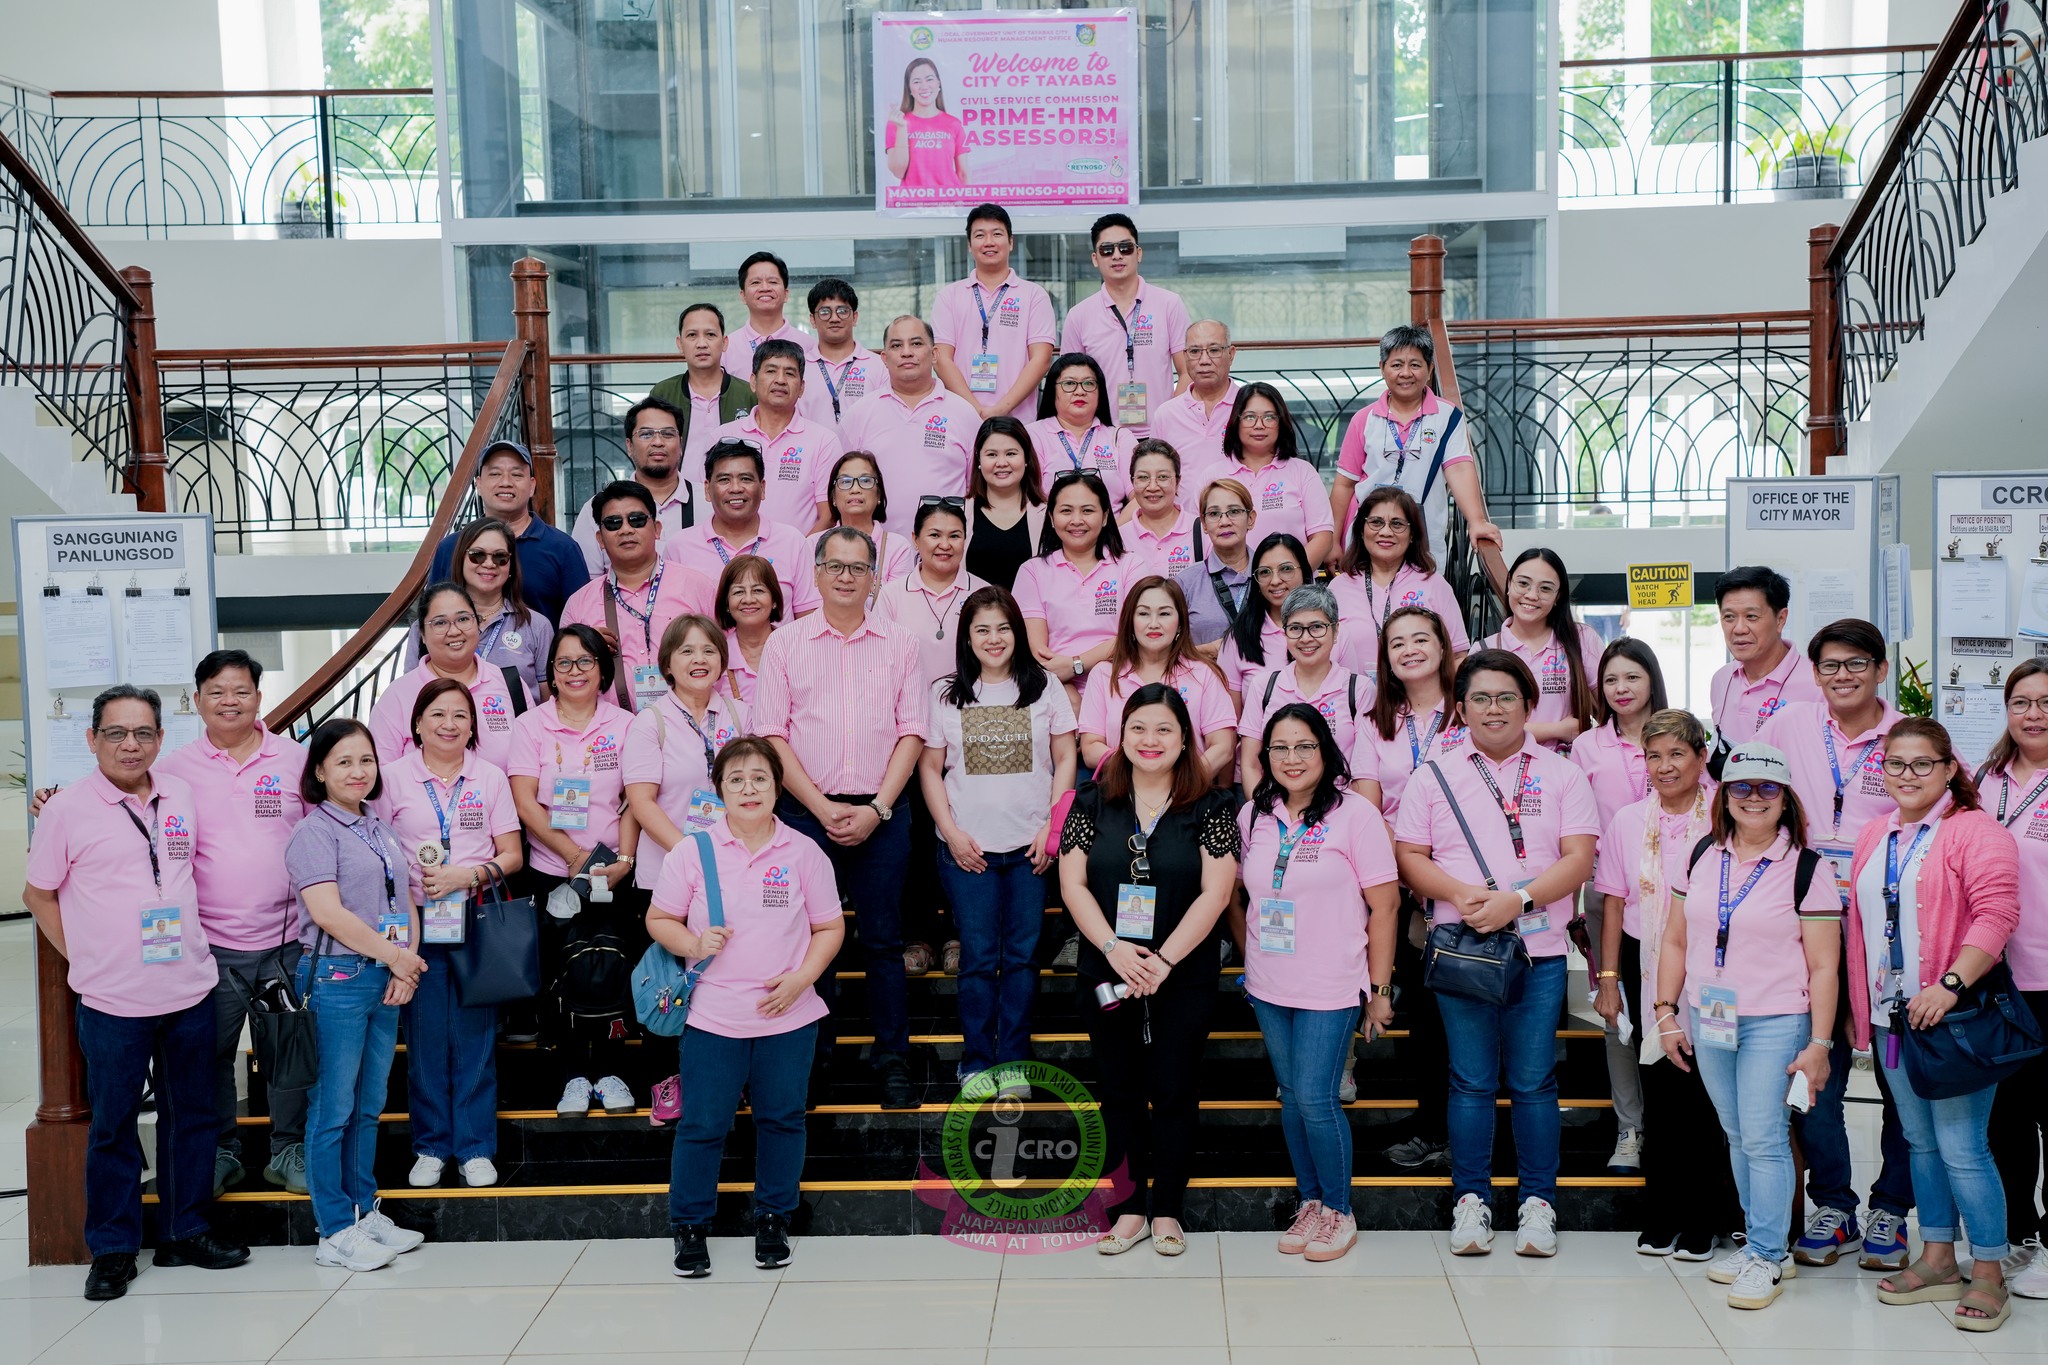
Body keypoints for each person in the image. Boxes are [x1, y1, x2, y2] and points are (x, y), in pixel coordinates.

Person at [24, 685, 251, 1300]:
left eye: (144, 733)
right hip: (113, 1000)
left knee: (192, 1117)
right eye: (118, 733)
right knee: (114, 1125)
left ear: (159, 739)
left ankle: (185, 1231)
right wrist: (85, 957)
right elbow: (38, 894)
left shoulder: (180, 795)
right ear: (92, 738)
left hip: (189, 987)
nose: (132, 744)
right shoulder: (68, 809)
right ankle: (115, 1247)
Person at [1395, 650, 1599, 1259]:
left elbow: (1579, 858)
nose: (1493, 708)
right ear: (1460, 710)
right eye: (1479, 698)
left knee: (1534, 1082)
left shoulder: (1562, 773)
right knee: (1471, 1080)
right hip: (1464, 951)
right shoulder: (1434, 773)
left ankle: (1539, 1204)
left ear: (1529, 705)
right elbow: (1410, 855)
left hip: (1536, 952)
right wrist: (1461, 894)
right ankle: (1471, 1201)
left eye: (1506, 696)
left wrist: (1518, 898)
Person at [1654, 742, 1842, 1310]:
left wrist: (1820, 1043)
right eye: (1742, 787)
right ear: (1724, 795)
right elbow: (1676, 939)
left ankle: (1768, 1252)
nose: (1754, 798)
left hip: (1777, 1017)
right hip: (1713, 1011)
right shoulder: (1702, 855)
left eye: (1767, 788)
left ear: (1784, 798)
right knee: (1737, 1134)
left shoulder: (1808, 867)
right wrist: (1665, 1011)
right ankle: (1758, 1240)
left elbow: (1824, 965)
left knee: (1763, 1136)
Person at [1846, 719, 2020, 1330]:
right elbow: (1860, 930)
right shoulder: (1875, 834)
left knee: (1963, 1148)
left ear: (1951, 769)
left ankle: (1991, 1270)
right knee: (1920, 1143)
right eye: (1895, 764)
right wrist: (1858, 1010)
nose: (1908, 775)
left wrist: (1948, 987)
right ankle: (1939, 1258)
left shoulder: (1975, 830)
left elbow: (1997, 915)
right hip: (1892, 1020)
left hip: (1952, 1020)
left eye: (1923, 764)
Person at [1755, 616, 1916, 1269]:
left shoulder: (1909, 737)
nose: (1842, 676)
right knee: (1811, 1058)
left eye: (1856, 664)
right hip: (1806, 921)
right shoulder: (1789, 724)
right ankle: (1834, 1203)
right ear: (1814, 673)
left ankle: (1891, 1208)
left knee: (1898, 1067)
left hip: (1892, 926)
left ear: (1880, 668)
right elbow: (1748, 789)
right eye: (1830, 666)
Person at [652, 738, 846, 1278]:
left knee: (782, 1119)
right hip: (713, 1016)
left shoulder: (804, 851)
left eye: (759, 778)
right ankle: (689, 1226)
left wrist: (803, 978)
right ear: (719, 790)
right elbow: (659, 919)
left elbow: (830, 926)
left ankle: (773, 1217)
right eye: (735, 779)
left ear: (778, 786)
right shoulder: (694, 851)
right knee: (703, 1124)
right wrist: (692, 945)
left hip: (789, 1015)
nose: (749, 789)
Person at [1060, 683, 1240, 1256]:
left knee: (1174, 1089)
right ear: (1121, 736)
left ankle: (1167, 1211)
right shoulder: (1091, 801)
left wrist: (1163, 959)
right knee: (1118, 1091)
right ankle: (1127, 1211)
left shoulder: (1210, 807)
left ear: (1185, 737)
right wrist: (1113, 947)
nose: (1150, 740)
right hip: (1107, 966)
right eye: (1139, 728)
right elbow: (1072, 883)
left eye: (1164, 728)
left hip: (1181, 972)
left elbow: (1217, 891)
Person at [753, 527, 926, 1108]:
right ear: (818, 574)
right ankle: (812, 1059)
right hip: (806, 813)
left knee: (882, 942)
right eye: (835, 566)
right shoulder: (786, 644)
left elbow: (912, 732)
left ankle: (893, 1060)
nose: (847, 576)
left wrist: (877, 807)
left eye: (858, 567)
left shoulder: (901, 644)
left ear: (874, 577)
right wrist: (823, 806)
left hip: (883, 812)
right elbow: (772, 734)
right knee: (807, 943)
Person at [1241, 703, 1401, 1263]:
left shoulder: (1356, 815)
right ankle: (1310, 1201)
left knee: (1315, 1097)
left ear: (1326, 751)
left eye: (1304, 746)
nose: (1291, 758)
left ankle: (1339, 1210)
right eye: (1279, 748)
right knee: (1290, 1098)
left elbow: (1385, 907)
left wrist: (1379, 992)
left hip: (1332, 984)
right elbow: (1248, 895)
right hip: (1268, 982)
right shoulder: (1253, 816)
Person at [155, 651, 311, 1198]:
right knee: (210, 1054)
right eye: (216, 692)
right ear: (197, 701)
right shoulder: (172, 771)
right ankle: (222, 1152)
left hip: (283, 945)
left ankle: (289, 1150)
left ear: (259, 698)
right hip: (209, 948)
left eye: (240, 691)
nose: (229, 701)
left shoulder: (294, 760)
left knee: (287, 1049)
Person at [1591, 708, 1739, 1260]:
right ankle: (1664, 1213)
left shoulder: (1726, 813)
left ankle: (1707, 1219)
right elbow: (1612, 902)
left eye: (1678, 753)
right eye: (1654, 756)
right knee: (1661, 1094)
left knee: (1708, 1096)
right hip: (1646, 962)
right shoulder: (1629, 821)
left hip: (1716, 970)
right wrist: (1608, 980)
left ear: (1702, 758)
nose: (1665, 765)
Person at [285, 717, 428, 1272]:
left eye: (365, 760)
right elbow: (327, 913)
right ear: (319, 771)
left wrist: (404, 966)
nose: (357, 771)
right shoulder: (313, 832)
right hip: (338, 980)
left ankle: (364, 1212)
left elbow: (405, 900)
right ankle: (334, 1229)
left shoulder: (377, 825)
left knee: (368, 1107)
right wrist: (395, 957)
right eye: (343, 761)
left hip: (384, 976)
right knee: (332, 1109)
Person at [920, 587, 1078, 1090]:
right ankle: (976, 1059)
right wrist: (950, 833)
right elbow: (929, 767)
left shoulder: (1045, 687)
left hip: (1029, 850)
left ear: (1018, 633)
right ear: (967, 637)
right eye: (982, 629)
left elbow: (1067, 758)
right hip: (969, 852)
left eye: (1003, 628)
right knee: (979, 958)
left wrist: (1050, 829)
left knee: (1022, 958)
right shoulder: (945, 693)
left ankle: (1011, 1059)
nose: (994, 638)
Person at [375, 679, 523, 1189]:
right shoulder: (391, 778)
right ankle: (432, 1145)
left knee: (477, 1039)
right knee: (426, 1039)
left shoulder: (490, 778)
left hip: (474, 920)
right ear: (417, 723)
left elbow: (512, 854)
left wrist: (469, 875)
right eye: (437, 714)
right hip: (415, 924)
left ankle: (477, 1147)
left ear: (473, 726)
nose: (448, 724)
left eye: (460, 715)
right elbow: (374, 849)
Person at [507, 626, 643, 1118]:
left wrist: (623, 862)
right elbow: (525, 800)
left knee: (610, 967)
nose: (575, 671)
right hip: (551, 871)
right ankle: (569, 1076)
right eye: (564, 663)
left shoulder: (626, 724)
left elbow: (634, 799)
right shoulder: (531, 726)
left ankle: (611, 1072)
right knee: (559, 971)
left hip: (612, 873)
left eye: (585, 661)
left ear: (603, 670)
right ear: (551, 674)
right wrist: (570, 855)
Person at [624, 614, 747, 1127]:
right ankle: (666, 1084)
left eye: (709, 651)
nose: (699, 660)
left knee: (726, 977)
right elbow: (640, 801)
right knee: (669, 980)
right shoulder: (649, 721)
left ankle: (726, 1081)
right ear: (667, 664)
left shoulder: (738, 715)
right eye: (687, 652)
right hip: (666, 875)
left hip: (735, 874)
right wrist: (690, 857)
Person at [1349, 605, 1459, 1169]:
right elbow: (1368, 809)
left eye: (1422, 638)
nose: (1411, 649)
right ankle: (1433, 1120)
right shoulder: (1374, 724)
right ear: (1385, 658)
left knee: (1455, 1012)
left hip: (1463, 878)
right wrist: (1410, 862)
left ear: (1443, 646)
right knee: (1421, 1008)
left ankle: (1455, 1124)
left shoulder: (1468, 714)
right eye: (1398, 643)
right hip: (1400, 878)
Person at [1573, 636, 1668, 1174]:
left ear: (1651, 678)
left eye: (1631, 676)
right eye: (1610, 680)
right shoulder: (1588, 747)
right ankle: (1630, 1126)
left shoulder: (1680, 733)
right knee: (1617, 1016)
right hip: (1608, 895)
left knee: (1672, 1010)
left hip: (1676, 900)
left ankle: (1674, 1119)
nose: (1621, 689)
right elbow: (1577, 829)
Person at [1978, 660, 2048, 1296]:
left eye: (2045, 701)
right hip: (1997, 975)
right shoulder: (1985, 779)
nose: (2033, 713)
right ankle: (2021, 1232)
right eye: (2021, 701)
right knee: (2007, 1114)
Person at [1330, 323, 1501, 573]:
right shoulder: (1364, 419)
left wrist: (1476, 521)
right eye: (1397, 364)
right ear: (1382, 368)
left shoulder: (1447, 417)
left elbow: (1460, 469)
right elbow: (1345, 484)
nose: (1406, 373)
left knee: (1419, 606)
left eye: (1415, 364)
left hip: (1423, 535)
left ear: (1430, 368)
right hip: (1370, 534)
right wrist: (1333, 541)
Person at [558, 480, 718, 715]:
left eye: (637, 520)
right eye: (613, 523)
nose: (626, 529)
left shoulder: (697, 587)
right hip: (611, 735)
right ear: (600, 539)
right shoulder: (579, 604)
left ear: (657, 529)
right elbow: (564, 675)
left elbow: (724, 659)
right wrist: (587, 651)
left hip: (690, 726)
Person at [1076, 576, 1237, 781]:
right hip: (1122, 796)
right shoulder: (1104, 674)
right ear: (1130, 621)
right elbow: (1090, 748)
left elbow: (1223, 747)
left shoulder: (1203, 674)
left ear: (1180, 623)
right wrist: (1141, 774)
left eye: (1164, 614)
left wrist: (1184, 785)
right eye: (1143, 613)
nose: (1154, 623)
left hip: (1188, 799)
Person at [840, 315, 982, 534]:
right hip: (874, 550)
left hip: (945, 549)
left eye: (916, 343)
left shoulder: (964, 414)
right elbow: (841, 488)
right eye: (897, 345)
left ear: (934, 354)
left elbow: (978, 489)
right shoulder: (859, 414)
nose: (907, 352)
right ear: (884, 358)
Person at [1014, 470, 1141, 710]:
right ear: (1051, 518)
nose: (1076, 520)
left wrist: (1077, 664)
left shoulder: (1130, 566)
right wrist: (1067, 690)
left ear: (1105, 517)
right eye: (1066, 511)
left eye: (1087, 510)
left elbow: (1136, 635)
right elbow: (1038, 652)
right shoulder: (1033, 571)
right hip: (1056, 691)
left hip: (1123, 688)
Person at [426, 439, 588, 625]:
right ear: (478, 484)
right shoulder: (451, 547)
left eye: (516, 475)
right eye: (495, 474)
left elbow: (580, 623)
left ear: (532, 486)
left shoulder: (563, 548)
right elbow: (433, 616)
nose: (505, 482)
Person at [371, 581, 525, 770]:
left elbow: (531, 762)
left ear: (478, 624)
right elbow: (380, 777)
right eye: (440, 623)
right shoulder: (397, 696)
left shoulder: (509, 685)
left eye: (463, 619)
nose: (454, 631)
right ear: (423, 635)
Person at [1060, 214, 1189, 434]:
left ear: (1138, 253)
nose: (1117, 255)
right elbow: (1069, 383)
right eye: (1107, 250)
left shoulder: (1169, 304)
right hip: (1102, 435)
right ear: (1095, 258)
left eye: (1125, 248)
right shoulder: (1079, 315)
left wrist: (1170, 418)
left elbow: (1187, 371)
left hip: (1160, 434)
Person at [1238, 583, 1371, 794]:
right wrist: (1264, 814)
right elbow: (1251, 764)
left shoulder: (1359, 690)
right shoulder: (1264, 687)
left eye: (1317, 627)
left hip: (1341, 810)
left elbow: (1365, 772)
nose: (1306, 638)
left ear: (1335, 631)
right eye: (1295, 628)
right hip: (1276, 811)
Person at [663, 439, 821, 616]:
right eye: (724, 480)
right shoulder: (679, 547)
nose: (736, 488)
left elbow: (807, 620)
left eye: (746, 479)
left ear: (762, 488)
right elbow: (672, 622)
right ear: (707, 490)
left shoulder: (792, 542)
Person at [1328, 485, 1470, 678]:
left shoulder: (1434, 585)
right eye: (1376, 522)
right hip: (1352, 703)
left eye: (1397, 524)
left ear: (1412, 535)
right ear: (1361, 530)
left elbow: (1458, 656)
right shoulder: (1338, 588)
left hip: (1417, 704)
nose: (1386, 532)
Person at [933, 203, 1055, 421]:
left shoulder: (1034, 295)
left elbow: (1041, 359)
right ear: (969, 245)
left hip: (1018, 421)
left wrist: (1000, 409)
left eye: (997, 234)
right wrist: (974, 409)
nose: (989, 242)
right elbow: (942, 359)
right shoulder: (949, 296)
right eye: (980, 235)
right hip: (961, 418)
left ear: (1010, 242)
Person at [407, 518, 551, 700]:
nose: (489, 564)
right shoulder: (427, 626)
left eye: (500, 557)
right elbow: (410, 695)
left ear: (511, 565)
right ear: (461, 559)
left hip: (517, 727)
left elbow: (547, 704)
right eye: (477, 555)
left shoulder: (536, 626)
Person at [1477, 548, 1600, 749]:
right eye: (1523, 583)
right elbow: (1479, 728)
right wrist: (1558, 730)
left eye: (1545, 588)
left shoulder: (1581, 639)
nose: (1532, 595)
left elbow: (1610, 707)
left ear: (1557, 596)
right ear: (1509, 584)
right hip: (1503, 770)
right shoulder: (1483, 650)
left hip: (1565, 770)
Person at [715, 337, 840, 529]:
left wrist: (798, 555)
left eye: (790, 373)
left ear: (802, 388)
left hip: (799, 556)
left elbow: (828, 516)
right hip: (734, 557)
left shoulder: (824, 441)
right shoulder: (722, 438)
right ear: (753, 382)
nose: (780, 380)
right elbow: (709, 505)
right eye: (771, 371)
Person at [569, 397, 699, 575]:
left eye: (667, 434)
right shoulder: (598, 510)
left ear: (681, 443)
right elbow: (589, 584)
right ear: (629, 445)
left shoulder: (709, 503)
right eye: (646, 434)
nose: (658, 442)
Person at [1213, 382, 1333, 569]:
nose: (1259, 425)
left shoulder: (1302, 471)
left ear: (1281, 422)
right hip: (1229, 590)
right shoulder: (1213, 475)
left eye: (1269, 417)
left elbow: (1322, 537)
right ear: (1236, 421)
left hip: (1293, 591)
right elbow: (1203, 539)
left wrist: (1291, 577)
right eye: (1250, 417)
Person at [872, 496, 986, 693]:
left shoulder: (984, 593)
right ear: (915, 539)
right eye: (934, 535)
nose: (945, 544)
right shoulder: (891, 596)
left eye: (954, 536)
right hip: (908, 711)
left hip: (968, 708)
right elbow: (877, 661)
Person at [1710, 565, 1825, 748]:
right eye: (1729, 617)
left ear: (1780, 619)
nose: (1739, 629)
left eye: (1751, 616)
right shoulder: (1721, 679)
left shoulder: (1818, 683)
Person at [648, 302, 756, 476]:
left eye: (710, 334)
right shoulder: (663, 393)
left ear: (724, 342)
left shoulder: (749, 394)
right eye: (692, 335)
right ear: (680, 344)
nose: (701, 344)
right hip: (677, 495)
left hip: (733, 496)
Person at [1029, 352, 1136, 508]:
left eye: (1088, 383)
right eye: (1069, 383)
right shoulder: (1032, 435)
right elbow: (1027, 497)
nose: (1080, 391)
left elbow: (1139, 497)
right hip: (1048, 528)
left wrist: (1113, 530)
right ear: (1053, 391)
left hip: (1113, 529)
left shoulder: (1120, 438)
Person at [806, 451, 916, 591]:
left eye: (865, 481)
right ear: (833, 497)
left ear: (879, 495)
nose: (855, 489)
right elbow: (807, 603)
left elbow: (895, 605)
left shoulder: (898, 548)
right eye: (845, 482)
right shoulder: (812, 544)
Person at [1217, 533, 1310, 700]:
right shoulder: (1238, 637)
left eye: (1286, 569)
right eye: (1265, 572)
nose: (1275, 581)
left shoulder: (1331, 632)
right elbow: (1231, 719)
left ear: (1305, 572)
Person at [1172, 477, 1257, 654]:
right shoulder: (1186, 582)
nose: (1224, 522)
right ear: (1203, 523)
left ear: (1251, 519)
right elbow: (1169, 649)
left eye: (1234, 511)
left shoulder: (1270, 575)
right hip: (1202, 677)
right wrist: (1209, 651)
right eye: (1214, 514)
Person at [962, 415, 1046, 592]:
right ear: (978, 460)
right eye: (992, 454)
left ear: (1026, 458)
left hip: (1028, 618)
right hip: (972, 616)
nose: (1001, 463)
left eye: (1011, 454)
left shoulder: (1048, 515)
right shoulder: (961, 513)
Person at [1149, 321, 1239, 486]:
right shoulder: (1166, 414)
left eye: (1214, 350)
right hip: (1184, 512)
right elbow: (1155, 475)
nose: (1204, 360)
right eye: (1195, 351)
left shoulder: (1248, 408)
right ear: (1185, 356)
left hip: (1238, 511)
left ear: (1231, 354)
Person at [798, 278, 883, 430]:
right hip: (814, 453)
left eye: (842, 311)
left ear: (855, 317)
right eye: (825, 312)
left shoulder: (879, 366)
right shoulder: (798, 368)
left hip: (865, 453)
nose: (834, 318)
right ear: (812, 320)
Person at [722, 251, 818, 380]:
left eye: (772, 282)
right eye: (755, 282)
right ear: (743, 296)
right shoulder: (726, 348)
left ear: (786, 294)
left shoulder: (809, 346)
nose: (765, 288)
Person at [884, 56, 969, 190]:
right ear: (910, 89)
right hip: (912, 207)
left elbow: (963, 174)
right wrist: (902, 128)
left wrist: (967, 207)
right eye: (917, 82)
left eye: (929, 79)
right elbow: (898, 171)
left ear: (938, 83)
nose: (924, 86)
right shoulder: (897, 123)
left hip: (950, 205)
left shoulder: (954, 124)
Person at [1119, 439, 1198, 575]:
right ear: (1132, 482)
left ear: (1177, 482)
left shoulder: (1201, 530)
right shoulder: (1119, 539)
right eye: (1143, 477)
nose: (1153, 487)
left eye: (1162, 477)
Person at [717, 553, 784, 706]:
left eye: (758, 590)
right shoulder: (716, 656)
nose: (748, 600)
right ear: (726, 604)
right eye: (738, 592)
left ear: (774, 600)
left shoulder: (796, 649)